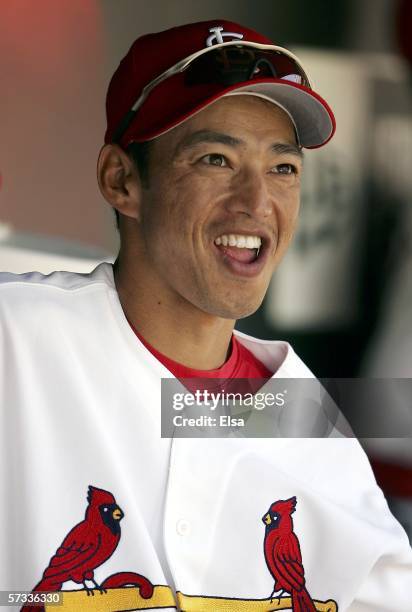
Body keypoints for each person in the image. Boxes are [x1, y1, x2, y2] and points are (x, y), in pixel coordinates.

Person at [1, 19, 411, 612]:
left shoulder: (298, 410)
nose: (257, 202)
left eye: (283, 168)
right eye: (216, 160)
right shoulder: (21, 337)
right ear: (122, 181)